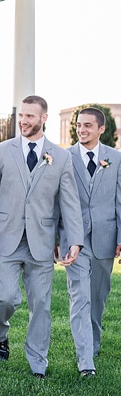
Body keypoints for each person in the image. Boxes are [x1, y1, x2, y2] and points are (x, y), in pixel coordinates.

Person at [0, 95, 84, 378]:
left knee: (41, 305)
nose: (24, 121)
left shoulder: (61, 157)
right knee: (5, 298)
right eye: (21, 116)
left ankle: (38, 361)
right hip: (5, 239)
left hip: (42, 241)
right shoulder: (1, 151)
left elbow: (70, 202)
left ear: (43, 118)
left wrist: (74, 240)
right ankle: (0, 333)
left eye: (30, 116)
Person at [58, 107, 121, 377]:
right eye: (78, 125)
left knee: (97, 298)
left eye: (87, 125)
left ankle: (93, 342)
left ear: (101, 129)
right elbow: (54, 202)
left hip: (106, 238)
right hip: (74, 239)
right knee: (80, 297)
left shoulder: (116, 159)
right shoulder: (63, 157)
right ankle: (86, 362)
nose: (81, 129)